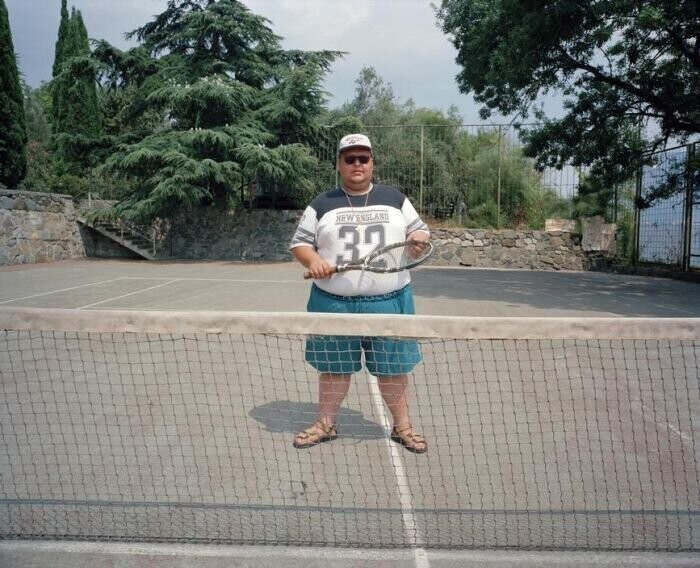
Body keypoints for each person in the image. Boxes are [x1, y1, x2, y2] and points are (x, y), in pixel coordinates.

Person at [289, 133, 430, 454]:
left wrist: (419, 237)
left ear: (372, 163)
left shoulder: (395, 198)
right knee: (334, 368)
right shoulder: (321, 203)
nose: (357, 164)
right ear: (339, 164)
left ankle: (403, 427)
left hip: (391, 302)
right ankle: (325, 424)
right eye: (349, 158)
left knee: (392, 370)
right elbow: (300, 243)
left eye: (362, 158)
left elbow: (418, 229)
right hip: (332, 303)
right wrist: (315, 261)